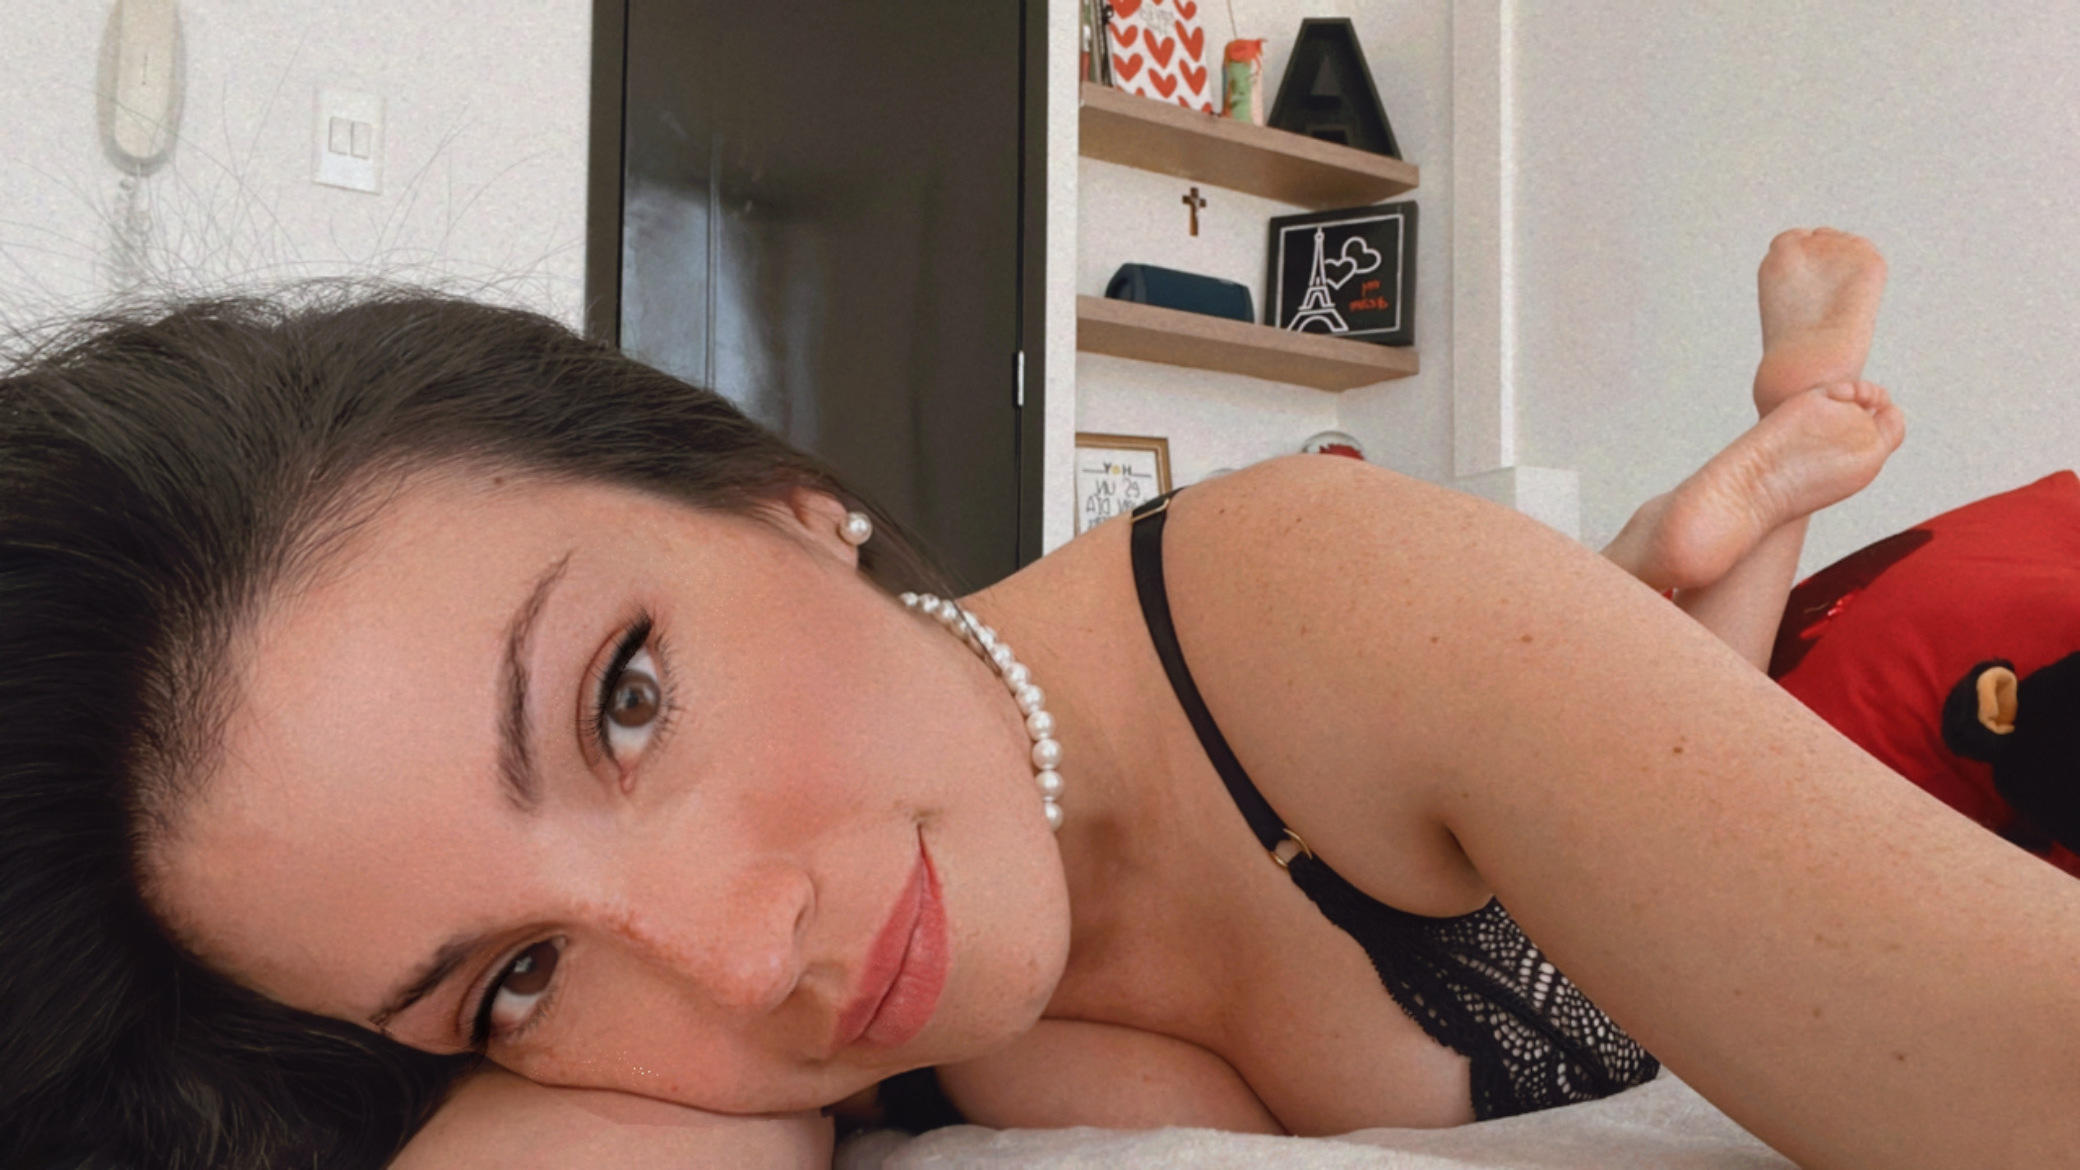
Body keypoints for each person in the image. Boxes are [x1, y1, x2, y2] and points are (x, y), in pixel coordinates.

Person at [0, 229, 2069, 1170]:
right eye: (514, 975)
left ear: (780, 496)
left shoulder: (1319, 597)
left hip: (1435, 742)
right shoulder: (719, 1041)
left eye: (623, 700)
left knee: (1738, 704)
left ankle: (1778, 446)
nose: (744, 961)